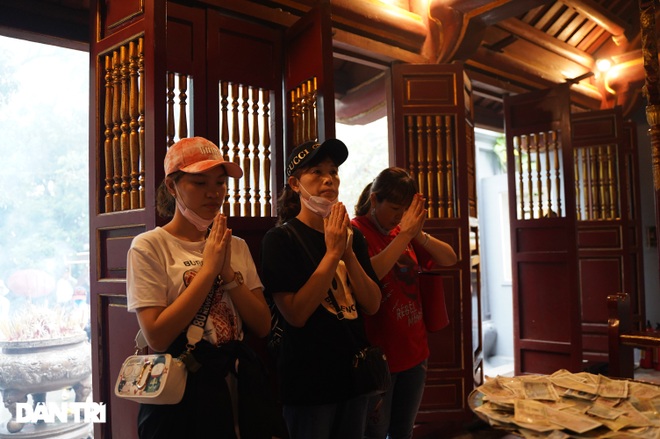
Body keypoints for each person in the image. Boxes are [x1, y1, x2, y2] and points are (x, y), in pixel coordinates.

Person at [126, 136, 274, 439]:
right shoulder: (150, 246)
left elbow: (262, 324)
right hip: (185, 387)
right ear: (172, 186)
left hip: (236, 379)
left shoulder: (236, 245)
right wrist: (208, 270)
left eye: (220, 183)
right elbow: (158, 334)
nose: (214, 193)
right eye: (199, 183)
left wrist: (227, 272)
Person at [260, 139, 382, 439]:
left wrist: (348, 253)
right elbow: (296, 314)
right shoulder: (280, 240)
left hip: (355, 377)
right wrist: (331, 254)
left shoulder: (351, 235)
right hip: (309, 384)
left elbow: (373, 303)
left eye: (334, 171)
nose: (329, 179)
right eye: (316, 171)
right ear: (295, 183)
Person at [351, 167, 457, 439]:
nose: (399, 216)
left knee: (403, 432)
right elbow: (369, 273)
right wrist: (403, 236)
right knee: (375, 433)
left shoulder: (404, 232)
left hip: (415, 353)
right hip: (379, 359)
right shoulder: (355, 232)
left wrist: (417, 234)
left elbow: (450, 258)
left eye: (404, 210)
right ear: (374, 200)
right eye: (395, 208)